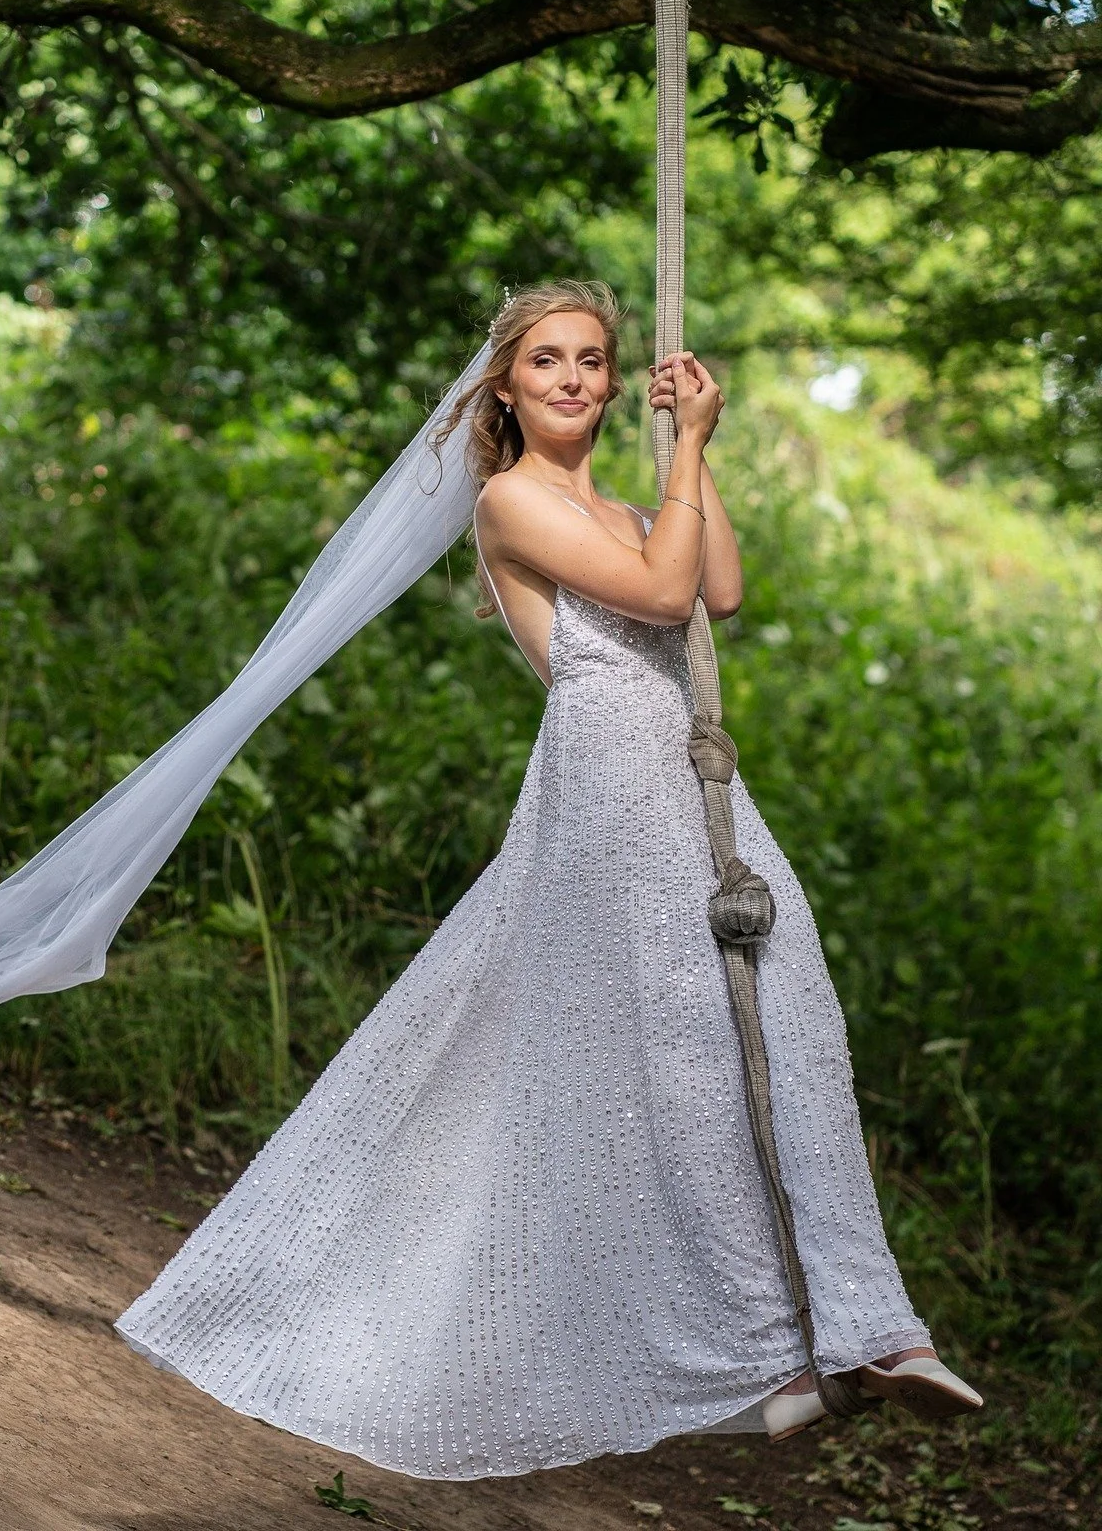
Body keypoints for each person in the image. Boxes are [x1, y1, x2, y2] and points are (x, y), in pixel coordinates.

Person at [114, 279, 982, 1474]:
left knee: (792, 1018)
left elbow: (719, 589)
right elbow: (667, 592)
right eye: (547, 361)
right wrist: (688, 462)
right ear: (507, 388)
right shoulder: (512, 503)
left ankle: (859, 1333)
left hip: (698, 787)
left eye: (591, 360)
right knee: (687, 1053)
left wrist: (689, 454)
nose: (573, 377)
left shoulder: (636, 502)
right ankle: (787, 1349)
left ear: (613, 381)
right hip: (615, 793)